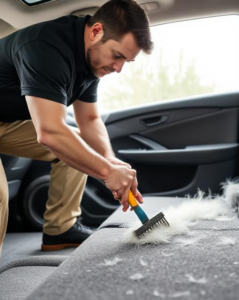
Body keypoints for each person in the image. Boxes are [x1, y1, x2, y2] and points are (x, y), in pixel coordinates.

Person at [0, 0, 153, 255]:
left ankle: (60, 229)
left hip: (8, 123)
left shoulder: (90, 61)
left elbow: (90, 120)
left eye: (127, 61)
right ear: (96, 32)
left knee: (77, 143)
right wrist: (107, 173)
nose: (118, 68)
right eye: (117, 56)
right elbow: (49, 132)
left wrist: (111, 162)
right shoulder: (46, 47)